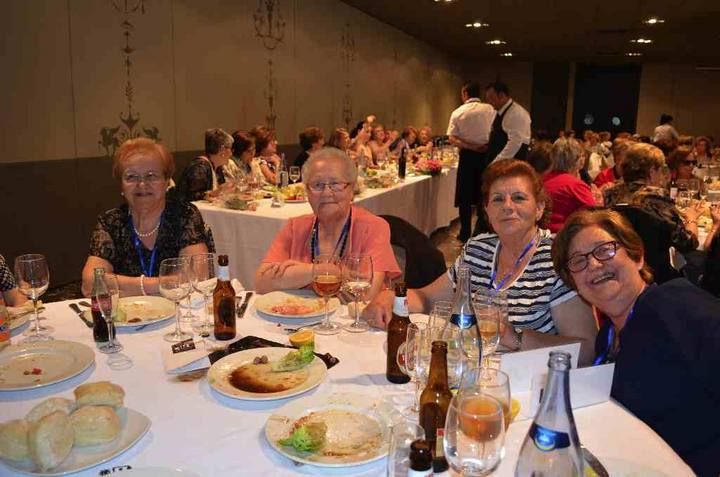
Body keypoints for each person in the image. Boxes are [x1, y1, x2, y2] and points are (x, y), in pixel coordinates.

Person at [363, 159, 598, 366]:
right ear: (487, 211)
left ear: (539, 208)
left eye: (518, 198)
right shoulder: (479, 249)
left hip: (530, 382)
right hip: (473, 372)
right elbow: (427, 298)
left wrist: (513, 337)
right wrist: (394, 299)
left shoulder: (558, 259)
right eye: (497, 199)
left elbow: (586, 350)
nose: (507, 205)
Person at [551, 208, 720, 476]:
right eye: (578, 261)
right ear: (575, 285)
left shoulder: (676, 305)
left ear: (637, 257)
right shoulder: (607, 339)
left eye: (604, 250)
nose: (593, 264)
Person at [255, 148, 401, 298]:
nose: (326, 193)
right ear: (307, 191)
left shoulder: (373, 227)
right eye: (317, 185)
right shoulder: (295, 227)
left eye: (335, 183)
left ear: (351, 189)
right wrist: (323, 271)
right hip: (301, 317)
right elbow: (261, 283)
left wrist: (296, 274)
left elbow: (365, 295)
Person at [81, 138, 215, 297]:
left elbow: (197, 278)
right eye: (131, 177)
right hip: (127, 317)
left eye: (151, 176)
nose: (142, 184)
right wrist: (163, 284)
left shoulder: (185, 215)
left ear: (166, 182)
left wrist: (120, 285)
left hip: (176, 315)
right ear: (121, 185)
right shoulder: (111, 222)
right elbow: (90, 283)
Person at [603, 143, 701, 252]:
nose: (661, 175)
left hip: (622, 261)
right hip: (655, 266)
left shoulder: (610, 194)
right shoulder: (656, 199)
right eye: (660, 170)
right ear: (652, 171)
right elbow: (687, 243)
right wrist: (692, 219)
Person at [446, 81, 495, 241]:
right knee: (483, 194)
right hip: (487, 155)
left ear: (465, 94)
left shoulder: (458, 112)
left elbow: (452, 138)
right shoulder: (491, 110)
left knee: (465, 197)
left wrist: (471, 146)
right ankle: (481, 231)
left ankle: (465, 232)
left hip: (467, 156)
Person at [543, 138, 597, 232]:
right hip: (564, 238)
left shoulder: (542, 180)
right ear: (577, 160)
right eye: (582, 156)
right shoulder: (575, 186)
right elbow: (595, 215)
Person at [176, 128, 233, 201]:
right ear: (222, 150)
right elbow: (191, 196)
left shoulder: (218, 167)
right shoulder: (200, 166)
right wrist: (214, 193)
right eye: (230, 149)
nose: (231, 153)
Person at [484, 81, 531, 163]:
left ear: (502, 95)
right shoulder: (499, 112)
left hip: (509, 164)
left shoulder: (516, 113)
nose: (489, 102)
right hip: (498, 161)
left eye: (491, 98)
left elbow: (514, 144)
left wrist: (496, 163)